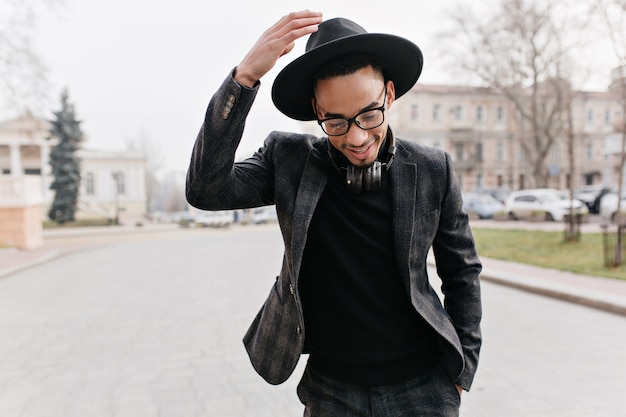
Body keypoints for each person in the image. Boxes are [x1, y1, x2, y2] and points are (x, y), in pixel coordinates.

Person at [186, 11, 482, 417]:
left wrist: (462, 369)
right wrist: (244, 79)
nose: (358, 137)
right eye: (336, 122)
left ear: (390, 95)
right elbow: (205, 189)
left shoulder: (433, 169)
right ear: (316, 111)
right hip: (331, 393)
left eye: (369, 115)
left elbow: (462, 272)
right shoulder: (288, 160)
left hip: (423, 389)